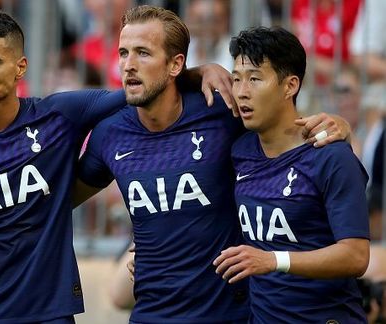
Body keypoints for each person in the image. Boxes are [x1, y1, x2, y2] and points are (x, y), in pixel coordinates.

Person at [0, 9, 237, 324]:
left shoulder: (60, 116)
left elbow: (143, 90)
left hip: (47, 312)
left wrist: (199, 71)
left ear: (20, 67)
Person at [74, 6, 352, 323]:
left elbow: (284, 127)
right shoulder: (110, 133)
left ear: (176, 64)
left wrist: (339, 124)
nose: (128, 65)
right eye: (123, 52)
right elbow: (59, 201)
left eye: (143, 53)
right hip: (151, 313)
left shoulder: (220, 110)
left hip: (228, 313)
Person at [213, 26, 370, 323]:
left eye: (255, 79)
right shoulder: (239, 149)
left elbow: (356, 256)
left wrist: (273, 260)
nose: (242, 92)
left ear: (290, 86)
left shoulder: (330, 156)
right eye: (236, 79)